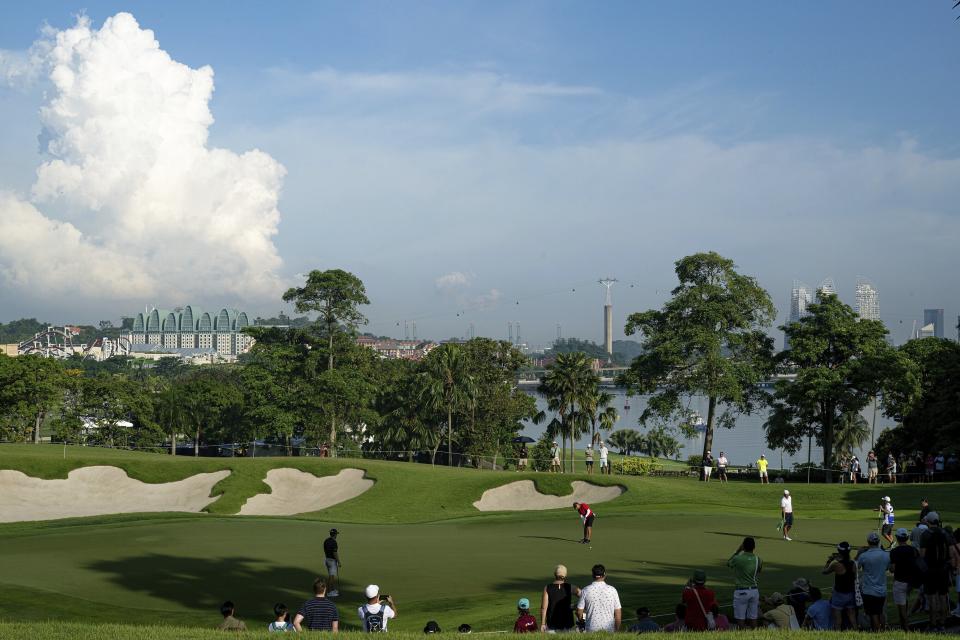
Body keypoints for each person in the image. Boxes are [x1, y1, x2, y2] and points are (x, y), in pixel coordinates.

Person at [919, 511, 951, 632]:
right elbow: (951, 551)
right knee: (943, 597)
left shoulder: (925, 534)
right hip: (943, 569)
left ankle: (933, 625)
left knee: (932, 598)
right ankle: (942, 624)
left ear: (928, 521)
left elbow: (922, 555)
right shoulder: (945, 533)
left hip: (931, 570)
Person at [857, 531, 890, 630]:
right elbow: (889, 568)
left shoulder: (864, 556)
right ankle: (883, 630)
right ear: (879, 541)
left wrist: (858, 553)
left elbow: (856, 567)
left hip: (869, 590)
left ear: (868, 542)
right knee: (881, 612)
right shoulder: (886, 555)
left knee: (873, 614)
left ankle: (877, 633)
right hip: (882, 589)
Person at [889, 527, 921, 630]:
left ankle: (906, 630)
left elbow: (893, 569)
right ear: (907, 538)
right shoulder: (914, 550)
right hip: (911, 582)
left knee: (902, 610)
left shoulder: (894, 551)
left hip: (900, 582)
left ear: (897, 538)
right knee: (904, 604)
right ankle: (904, 627)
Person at [727, 537, 762, 628]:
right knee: (753, 617)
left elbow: (728, 563)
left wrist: (738, 551)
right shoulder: (758, 559)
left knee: (740, 619)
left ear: (743, 546)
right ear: (754, 547)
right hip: (754, 591)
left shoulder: (738, 559)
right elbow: (759, 571)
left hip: (741, 591)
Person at [576, 564, 622, 632]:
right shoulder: (612, 590)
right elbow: (618, 613)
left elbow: (579, 611)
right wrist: (617, 630)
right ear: (604, 575)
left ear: (592, 575)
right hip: (609, 630)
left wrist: (582, 621)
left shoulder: (585, 590)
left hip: (591, 630)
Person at [822, 541, 857, 630]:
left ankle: (838, 635)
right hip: (850, 593)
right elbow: (854, 577)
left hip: (839, 594)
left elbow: (824, 571)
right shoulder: (853, 564)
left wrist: (829, 561)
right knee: (852, 616)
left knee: (837, 619)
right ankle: (856, 631)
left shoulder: (836, 565)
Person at [540, 564, 579, 632]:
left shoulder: (547, 588)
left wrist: (543, 623)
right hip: (567, 623)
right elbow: (583, 595)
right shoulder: (570, 587)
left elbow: (544, 607)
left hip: (552, 623)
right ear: (565, 575)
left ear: (555, 574)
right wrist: (575, 605)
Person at [324, 528, 341, 597]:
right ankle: (329, 592)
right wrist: (339, 562)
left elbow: (325, 550)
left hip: (327, 559)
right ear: (335, 534)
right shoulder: (334, 542)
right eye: (336, 534)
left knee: (331, 576)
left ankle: (333, 590)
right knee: (331, 577)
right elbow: (335, 553)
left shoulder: (326, 541)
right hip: (332, 561)